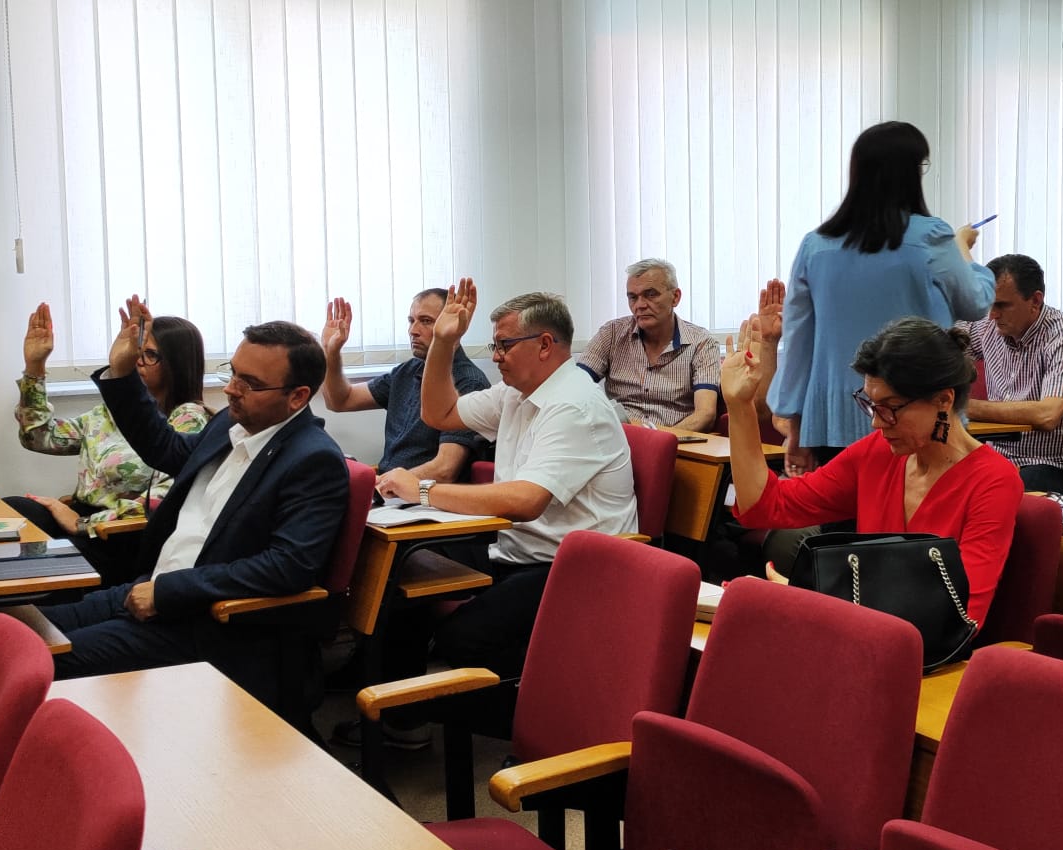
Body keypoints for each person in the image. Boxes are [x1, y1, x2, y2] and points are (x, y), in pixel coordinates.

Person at [48, 302, 352, 697]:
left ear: (297, 397)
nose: (230, 389)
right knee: (17, 629)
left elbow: (286, 567)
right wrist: (122, 373)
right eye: (233, 373)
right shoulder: (232, 422)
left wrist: (170, 592)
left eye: (250, 383)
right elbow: (167, 449)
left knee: (42, 659)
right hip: (150, 589)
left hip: (207, 624)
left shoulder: (313, 459)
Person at [386, 284, 637, 682]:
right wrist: (444, 343)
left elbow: (525, 501)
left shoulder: (573, 405)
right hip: (515, 548)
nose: (496, 356)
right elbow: (439, 413)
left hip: (574, 568)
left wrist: (422, 491)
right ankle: (396, 703)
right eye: (495, 346)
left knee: (461, 639)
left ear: (544, 345)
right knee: (403, 566)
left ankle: (558, 691)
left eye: (504, 345)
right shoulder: (515, 393)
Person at [725, 310, 1023, 630]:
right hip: (860, 636)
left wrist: (815, 600)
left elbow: (960, 616)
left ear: (943, 400)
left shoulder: (993, 481)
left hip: (921, 654)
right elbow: (766, 505)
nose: (877, 423)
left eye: (891, 408)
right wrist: (740, 407)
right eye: (870, 404)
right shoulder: (878, 454)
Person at [769, 121, 992, 470]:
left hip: (832, 421)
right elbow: (975, 303)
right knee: (919, 505)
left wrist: (796, 427)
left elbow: (798, 343)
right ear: (911, 172)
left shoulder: (815, 246)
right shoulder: (931, 236)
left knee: (844, 508)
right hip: (918, 416)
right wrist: (963, 250)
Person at [7, 303, 210, 583]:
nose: (138, 360)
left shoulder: (188, 419)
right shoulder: (111, 413)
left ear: (177, 362)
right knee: (12, 510)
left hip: (119, 537)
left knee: (30, 562)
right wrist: (35, 367)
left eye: (150, 354)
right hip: (83, 521)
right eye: (137, 352)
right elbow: (38, 437)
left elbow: (162, 502)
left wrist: (81, 524)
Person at [319, 289, 488, 478]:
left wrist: (381, 485)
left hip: (424, 492)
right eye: (411, 321)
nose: (412, 331)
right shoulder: (408, 370)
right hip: (389, 486)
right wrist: (331, 352)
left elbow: (444, 470)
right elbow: (340, 401)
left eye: (426, 321)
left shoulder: (468, 383)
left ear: (453, 325)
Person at [965, 254, 1063, 493]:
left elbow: (1048, 414)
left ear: (1035, 300)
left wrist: (964, 406)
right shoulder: (987, 325)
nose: (992, 314)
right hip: (998, 457)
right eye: (988, 304)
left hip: (1054, 465)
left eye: (1002, 305)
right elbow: (944, 349)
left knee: (996, 490)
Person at [578, 259, 723, 430]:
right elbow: (573, 387)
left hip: (676, 440)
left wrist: (657, 439)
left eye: (651, 294)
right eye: (633, 297)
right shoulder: (611, 334)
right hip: (619, 438)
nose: (640, 305)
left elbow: (705, 414)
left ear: (675, 297)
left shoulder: (702, 343)